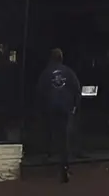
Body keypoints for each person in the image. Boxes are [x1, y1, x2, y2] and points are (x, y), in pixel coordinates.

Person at [36, 48, 81, 184]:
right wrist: (74, 106)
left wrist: (41, 108)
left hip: (50, 108)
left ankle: (49, 154)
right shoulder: (69, 72)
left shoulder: (46, 73)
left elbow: (39, 91)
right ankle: (64, 165)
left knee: (50, 132)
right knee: (64, 136)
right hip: (66, 108)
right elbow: (77, 90)